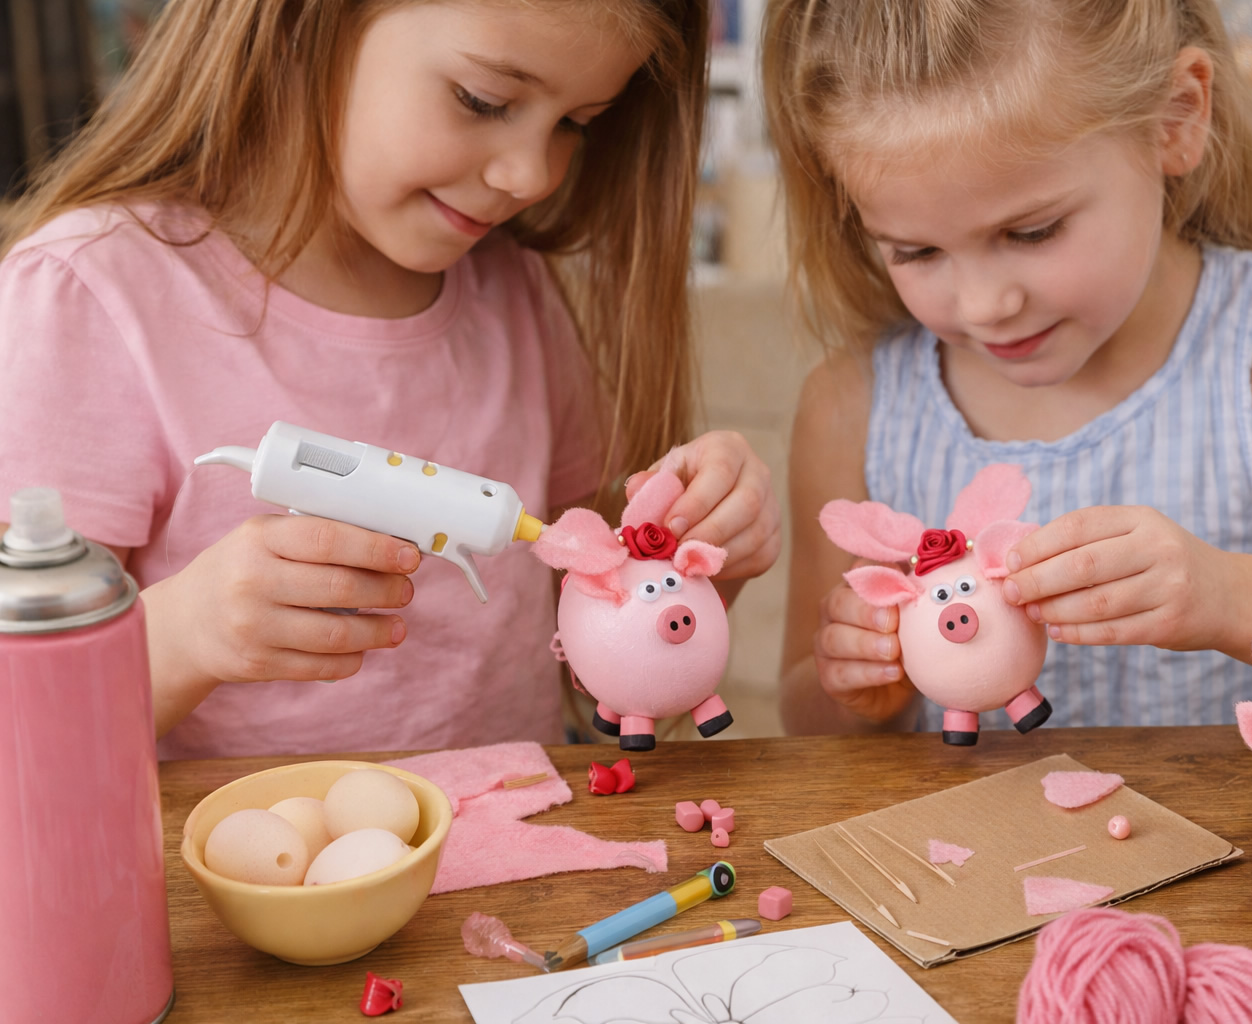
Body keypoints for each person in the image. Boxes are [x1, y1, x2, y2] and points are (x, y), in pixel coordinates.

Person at [0, 0, 779, 757]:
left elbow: (585, 610)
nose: (529, 175)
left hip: (527, 832)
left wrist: (690, 553)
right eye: (483, 99)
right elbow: (25, 727)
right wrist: (183, 635)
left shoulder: (511, 290)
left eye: (575, 122)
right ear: (302, 20)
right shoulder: (90, 295)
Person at [765, 0, 1252, 735]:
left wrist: (1230, 597)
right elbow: (805, 717)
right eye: (917, 251)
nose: (984, 305)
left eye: (1032, 232)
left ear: (1176, 119)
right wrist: (861, 688)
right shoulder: (852, 403)